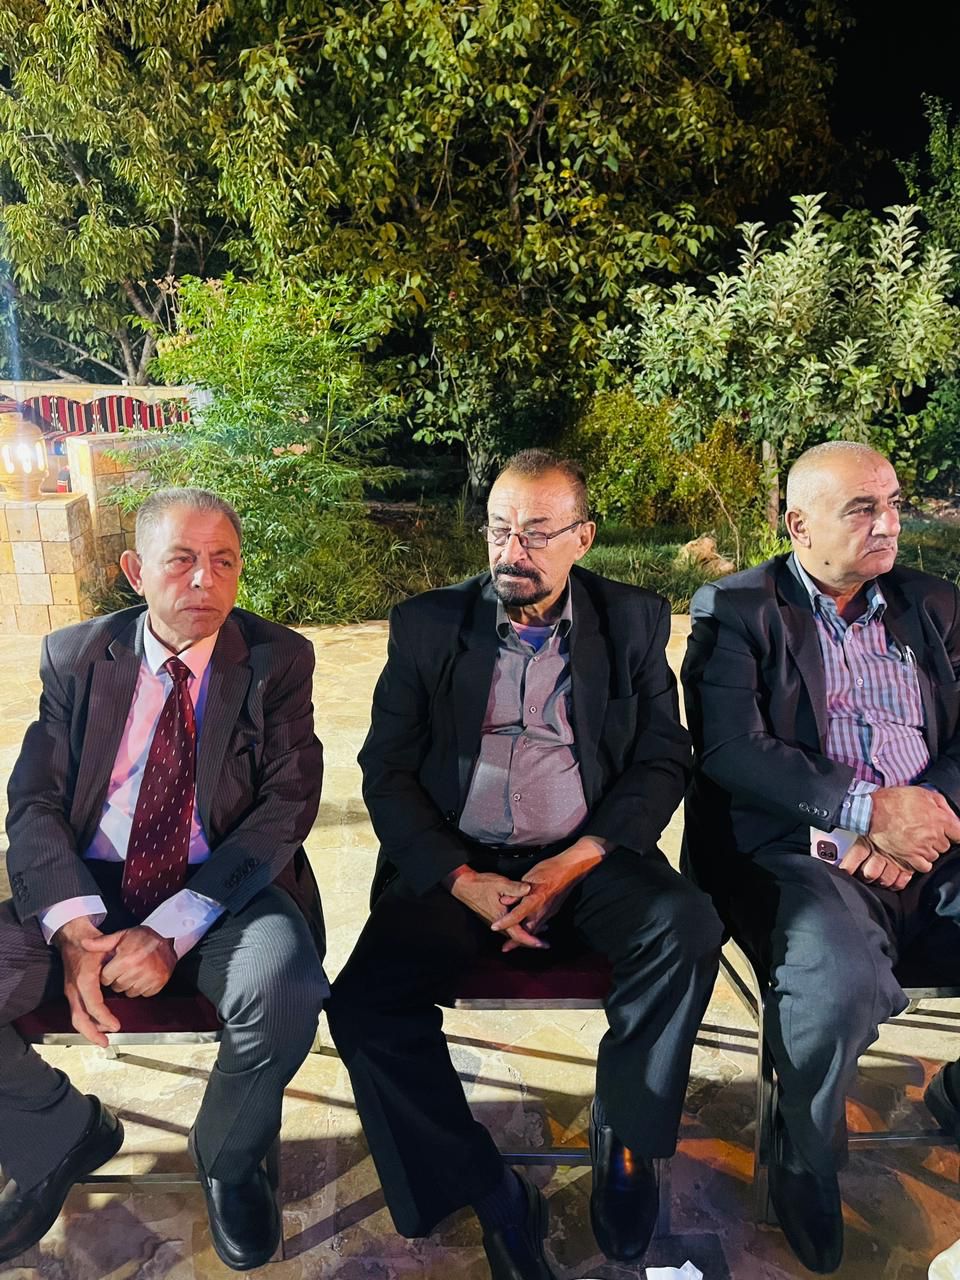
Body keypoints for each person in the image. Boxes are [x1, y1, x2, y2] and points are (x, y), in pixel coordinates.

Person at [326, 449, 722, 1279]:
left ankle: (627, 1136)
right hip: (461, 862)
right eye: (500, 530)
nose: (514, 551)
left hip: (585, 856)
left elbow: (662, 757)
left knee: (685, 925)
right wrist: (462, 880)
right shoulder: (430, 624)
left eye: (538, 533)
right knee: (364, 1006)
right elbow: (385, 770)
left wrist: (576, 859)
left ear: (583, 537)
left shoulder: (633, 620)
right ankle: (488, 1188)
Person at [0, 487, 327, 1271]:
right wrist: (72, 927)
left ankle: (228, 1159)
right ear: (134, 570)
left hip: (224, 889)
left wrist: (171, 929)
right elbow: (35, 800)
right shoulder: (77, 657)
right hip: (93, 881)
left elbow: (285, 806)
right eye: (181, 560)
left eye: (224, 562)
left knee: (285, 986)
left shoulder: (277, 660)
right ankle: (57, 1130)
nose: (205, 580)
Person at [681, 441, 960, 1275]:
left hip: (932, 839)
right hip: (801, 852)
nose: (889, 524)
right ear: (798, 526)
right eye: (862, 509)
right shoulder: (737, 609)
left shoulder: (933, 604)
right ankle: (804, 1149)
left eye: (893, 503)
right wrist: (868, 812)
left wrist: (925, 817)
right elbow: (732, 749)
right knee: (831, 980)